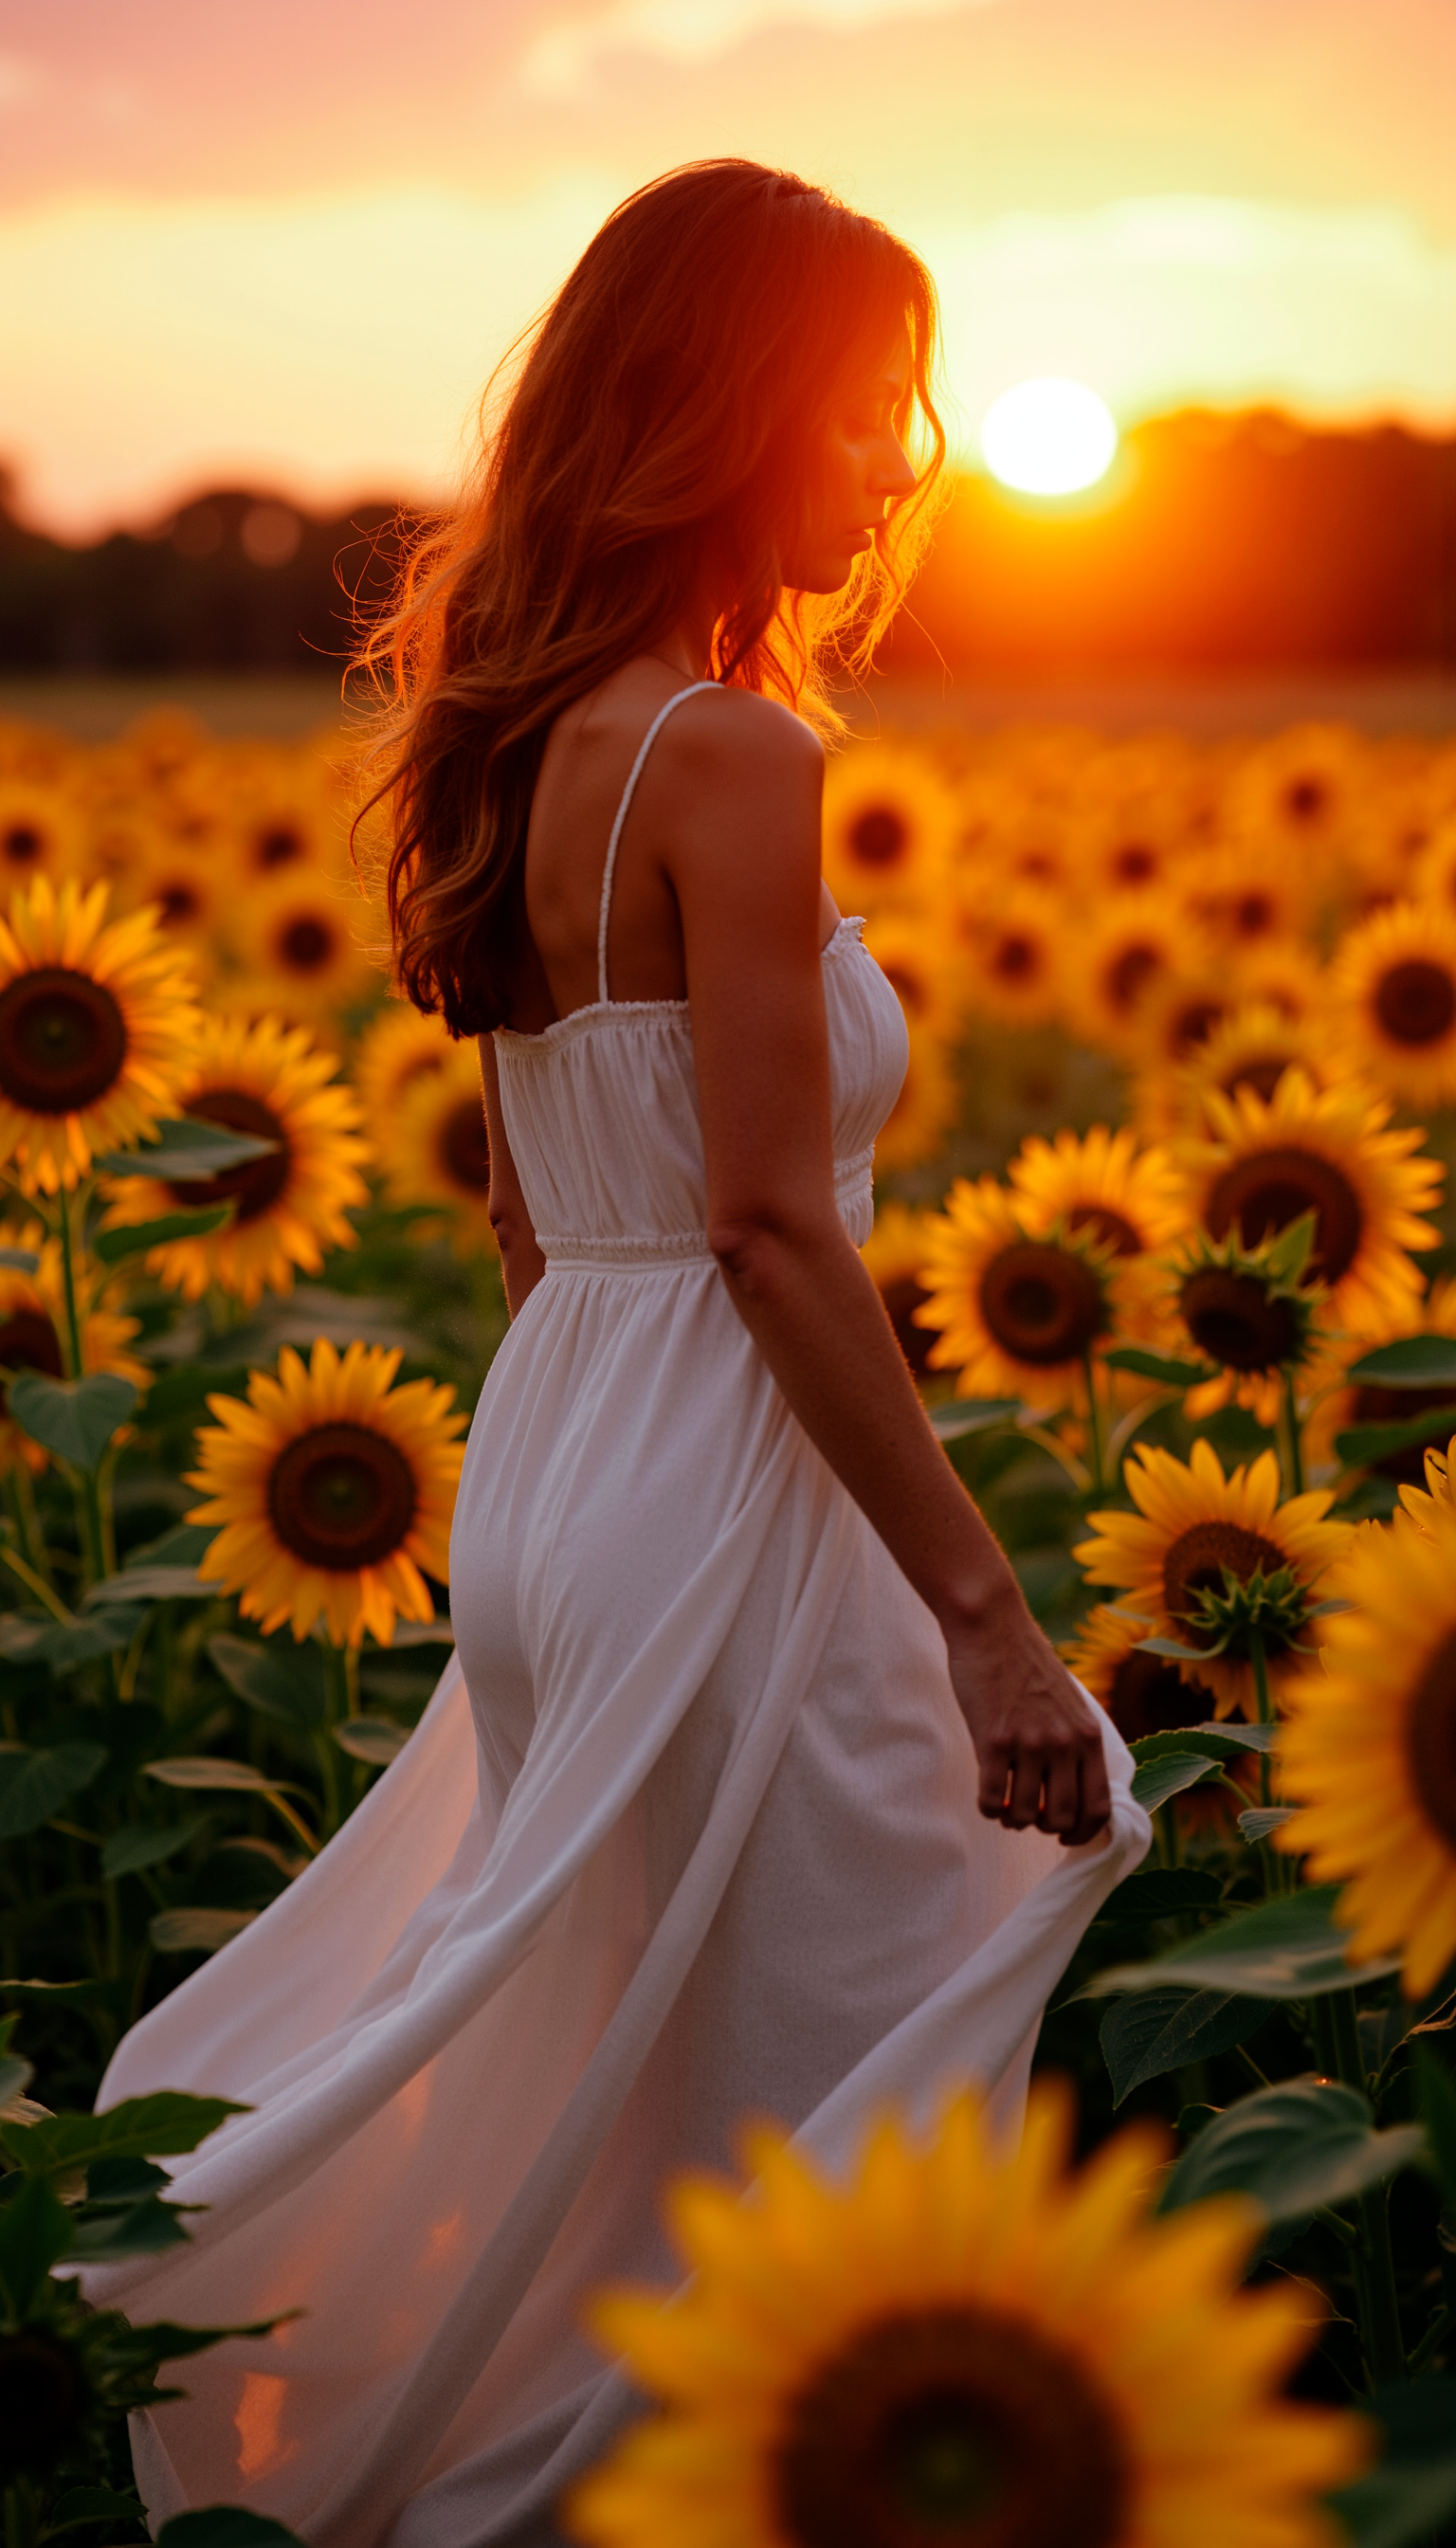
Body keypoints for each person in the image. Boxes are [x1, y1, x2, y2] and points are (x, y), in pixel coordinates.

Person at [87, 160, 1147, 2547]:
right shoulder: (735, 759)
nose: (906, 462)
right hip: (722, 1468)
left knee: (621, 2047)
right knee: (820, 2072)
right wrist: (987, 1615)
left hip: (576, 1459)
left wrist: (587, 1499)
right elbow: (772, 1230)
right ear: (736, 405)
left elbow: (538, 1212)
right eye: (872, 404)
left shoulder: (513, 736)